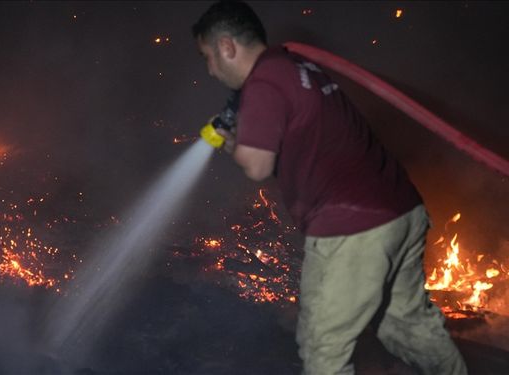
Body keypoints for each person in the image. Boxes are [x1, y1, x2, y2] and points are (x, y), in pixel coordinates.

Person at [192, 1, 467, 374]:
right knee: (408, 327)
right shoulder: (295, 67)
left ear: (227, 47)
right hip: (401, 212)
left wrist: (231, 142)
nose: (209, 69)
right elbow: (286, 142)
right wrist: (236, 139)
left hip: (353, 228)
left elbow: (257, 166)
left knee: (324, 349)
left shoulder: (265, 81)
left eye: (207, 56)